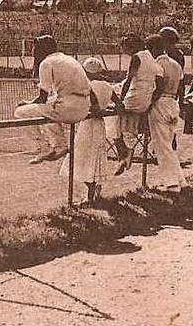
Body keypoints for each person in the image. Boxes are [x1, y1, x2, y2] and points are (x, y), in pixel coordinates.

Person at [14, 35, 92, 165]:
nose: (33, 51)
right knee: (46, 109)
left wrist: (28, 104)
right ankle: (59, 145)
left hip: (68, 109)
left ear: (41, 49)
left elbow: (42, 98)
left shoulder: (46, 63)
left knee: (20, 112)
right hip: (84, 107)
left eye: (34, 48)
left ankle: (44, 148)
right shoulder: (68, 59)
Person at [60, 57, 118, 204]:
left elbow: (92, 107)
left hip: (88, 125)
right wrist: (107, 109)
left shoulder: (87, 86)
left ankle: (90, 196)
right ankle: (92, 193)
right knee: (94, 157)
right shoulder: (107, 86)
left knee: (81, 158)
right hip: (100, 125)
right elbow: (120, 105)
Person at [112, 33, 164, 174]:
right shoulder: (150, 57)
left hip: (134, 99)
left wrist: (120, 101)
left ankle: (123, 154)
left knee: (111, 119)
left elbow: (128, 82)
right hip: (144, 101)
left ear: (130, 47)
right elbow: (158, 86)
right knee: (120, 122)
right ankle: (124, 153)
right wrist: (150, 101)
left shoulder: (137, 58)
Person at [147, 35, 187, 189]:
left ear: (153, 49)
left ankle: (171, 183)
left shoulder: (157, 64)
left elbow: (158, 87)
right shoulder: (175, 64)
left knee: (162, 146)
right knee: (168, 144)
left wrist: (149, 103)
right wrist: (180, 104)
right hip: (173, 103)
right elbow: (182, 87)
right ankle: (179, 179)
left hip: (161, 103)